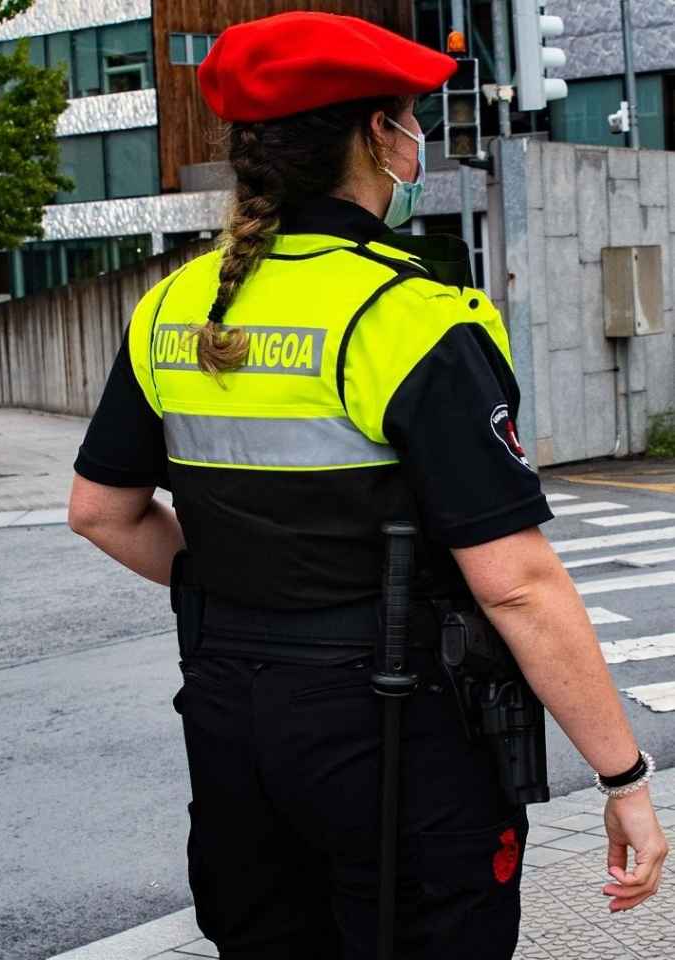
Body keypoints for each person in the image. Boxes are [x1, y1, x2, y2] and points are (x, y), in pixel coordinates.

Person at [66, 11, 666, 958]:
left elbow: (100, 512)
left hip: (231, 722)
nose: (413, 136)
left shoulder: (173, 306)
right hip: (395, 727)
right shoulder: (410, 314)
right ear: (377, 137)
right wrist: (623, 779)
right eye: (407, 118)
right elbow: (515, 582)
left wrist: (233, 587)